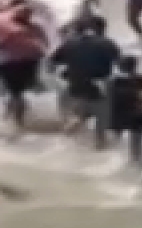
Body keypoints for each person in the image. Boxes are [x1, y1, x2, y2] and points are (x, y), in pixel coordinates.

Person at [47, 15, 122, 149]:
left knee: (81, 108)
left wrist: (60, 78)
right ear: (101, 28)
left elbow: (52, 62)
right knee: (102, 114)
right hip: (98, 84)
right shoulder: (106, 43)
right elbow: (120, 64)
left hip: (75, 84)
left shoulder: (69, 43)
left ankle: (73, 125)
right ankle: (100, 141)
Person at [0, 0, 48, 135]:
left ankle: (12, 114)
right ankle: (17, 121)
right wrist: (0, 42)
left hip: (27, 61)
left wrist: (41, 50)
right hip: (8, 61)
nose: (27, 18)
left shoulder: (34, 25)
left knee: (19, 90)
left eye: (28, 15)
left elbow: (44, 41)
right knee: (15, 91)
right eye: (24, 15)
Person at [104, 55, 142, 166]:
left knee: (114, 138)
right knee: (136, 140)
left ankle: (110, 156)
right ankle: (135, 158)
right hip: (137, 116)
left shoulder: (111, 82)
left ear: (118, 67)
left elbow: (106, 100)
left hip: (117, 116)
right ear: (135, 66)